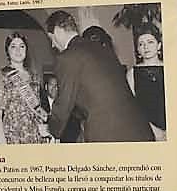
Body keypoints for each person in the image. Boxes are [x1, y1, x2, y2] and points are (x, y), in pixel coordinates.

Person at [45, 11, 154, 143]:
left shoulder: (67, 57)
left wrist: (50, 128)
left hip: (110, 136)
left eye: (51, 39)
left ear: (57, 31)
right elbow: (96, 96)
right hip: (141, 131)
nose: (53, 45)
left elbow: (63, 103)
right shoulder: (104, 49)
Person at [0, 32, 47, 145]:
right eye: (13, 46)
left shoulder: (34, 76)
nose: (18, 50)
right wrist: (3, 145)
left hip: (35, 135)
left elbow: (37, 109)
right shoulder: (1, 76)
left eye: (22, 46)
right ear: (7, 50)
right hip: (12, 135)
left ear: (26, 50)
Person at [127, 26, 166, 138]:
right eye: (141, 44)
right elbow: (133, 107)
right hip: (146, 129)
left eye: (150, 42)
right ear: (138, 50)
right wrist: (154, 131)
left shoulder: (170, 68)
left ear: (159, 45)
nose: (145, 47)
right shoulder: (132, 73)